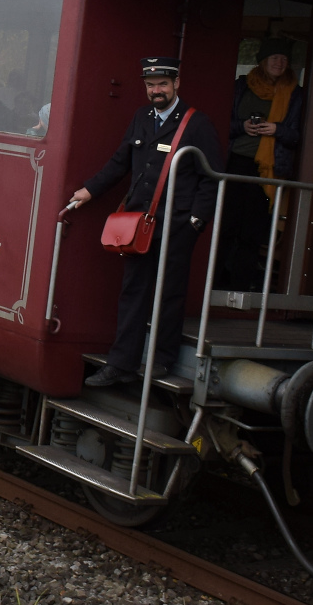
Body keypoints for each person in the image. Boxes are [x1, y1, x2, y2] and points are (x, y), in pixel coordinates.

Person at [70, 57, 223, 386]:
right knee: (133, 291)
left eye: (163, 85)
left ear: (176, 84)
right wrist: (90, 190)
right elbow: (120, 160)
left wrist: (196, 220)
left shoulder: (196, 123)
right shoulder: (142, 117)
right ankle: (121, 364)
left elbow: (212, 177)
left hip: (178, 222)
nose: (157, 91)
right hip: (141, 221)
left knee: (169, 293)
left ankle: (162, 361)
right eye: (151, 85)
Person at [215, 40, 305, 291]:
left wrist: (278, 129)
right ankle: (214, 285)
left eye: (284, 59)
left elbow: (298, 136)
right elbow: (222, 122)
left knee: (253, 230)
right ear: (262, 60)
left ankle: (241, 288)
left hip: (268, 167)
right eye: (274, 57)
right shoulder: (242, 86)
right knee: (226, 225)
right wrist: (242, 126)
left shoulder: (295, 93)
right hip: (235, 163)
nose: (279, 62)